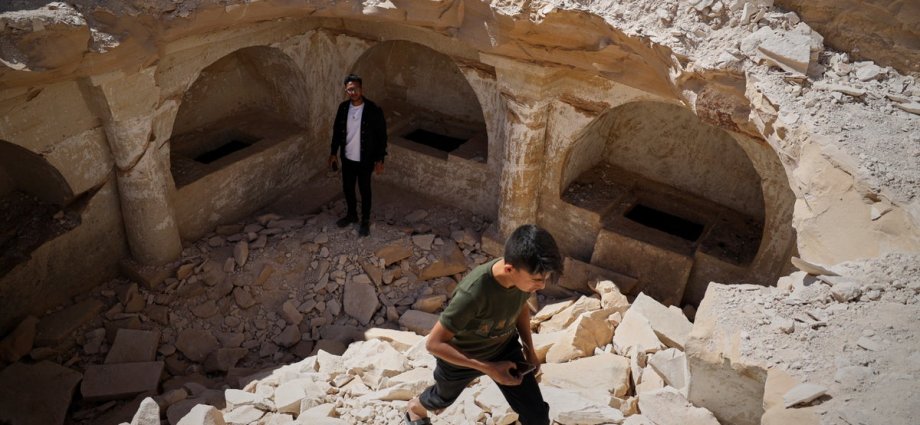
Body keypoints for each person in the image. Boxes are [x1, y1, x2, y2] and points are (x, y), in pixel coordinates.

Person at [405, 224, 563, 425]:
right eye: (537, 280)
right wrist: (489, 368)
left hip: (504, 349)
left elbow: (520, 307)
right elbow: (434, 344)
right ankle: (415, 407)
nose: (541, 286)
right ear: (509, 269)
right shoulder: (473, 292)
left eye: (545, 279)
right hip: (461, 355)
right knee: (440, 400)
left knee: (537, 416)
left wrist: (529, 350)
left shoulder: (522, 281)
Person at [328, 74, 388, 237]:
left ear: (362, 89)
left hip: (365, 160)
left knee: (365, 189)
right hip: (347, 159)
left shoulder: (373, 109)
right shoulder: (343, 108)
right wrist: (333, 153)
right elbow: (337, 132)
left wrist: (380, 159)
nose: (353, 92)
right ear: (346, 90)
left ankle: (365, 220)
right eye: (350, 89)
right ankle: (352, 215)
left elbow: (382, 136)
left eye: (356, 88)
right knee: (347, 188)